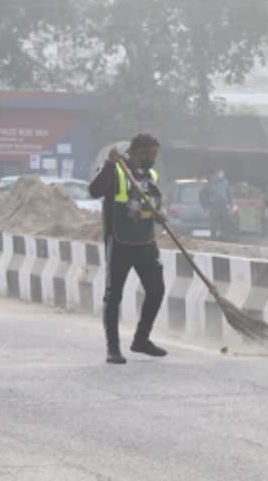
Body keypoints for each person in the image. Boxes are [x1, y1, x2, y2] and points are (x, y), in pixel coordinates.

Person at [89, 134, 167, 365]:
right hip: (120, 242)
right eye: (150, 155)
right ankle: (113, 349)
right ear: (137, 152)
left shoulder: (150, 175)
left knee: (156, 291)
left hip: (145, 242)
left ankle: (141, 340)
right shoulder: (117, 170)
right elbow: (94, 191)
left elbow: (149, 202)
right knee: (114, 297)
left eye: (154, 155)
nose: (153, 160)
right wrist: (109, 164)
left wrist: (158, 214)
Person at [200, 169, 233, 240]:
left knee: (225, 223)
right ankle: (213, 238)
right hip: (214, 206)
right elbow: (202, 195)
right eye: (219, 173)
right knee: (213, 224)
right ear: (215, 174)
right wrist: (205, 206)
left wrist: (231, 205)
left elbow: (229, 194)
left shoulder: (225, 182)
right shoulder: (210, 183)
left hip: (224, 205)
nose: (220, 175)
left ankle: (224, 238)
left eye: (222, 173)